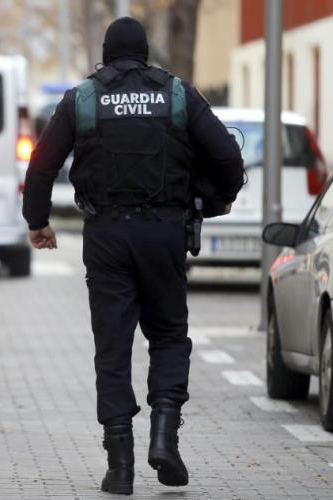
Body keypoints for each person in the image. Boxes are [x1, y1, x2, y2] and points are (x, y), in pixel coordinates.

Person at [22, 17, 244, 495]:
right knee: (168, 334)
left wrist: (37, 221)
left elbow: (41, 164)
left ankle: (119, 466)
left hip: (106, 234)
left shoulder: (83, 98)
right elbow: (227, 156)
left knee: (113, 345)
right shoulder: (178, 94)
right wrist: (219, 198)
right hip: (164, 232)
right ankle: (164, 436)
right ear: (145, 54)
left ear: (105, 53)